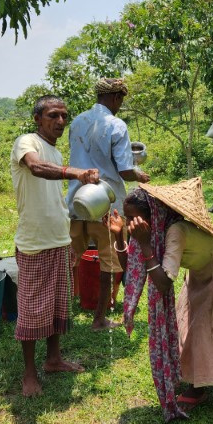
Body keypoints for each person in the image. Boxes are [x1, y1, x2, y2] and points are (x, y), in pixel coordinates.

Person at [109, 178, 213, 421]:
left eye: (133, 218)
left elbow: (163, 282)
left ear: (152, 215)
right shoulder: (151, 229)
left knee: (203, 326)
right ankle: (193, 374)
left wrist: (145, 245)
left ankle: (198, 388)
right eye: (127, 218)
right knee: (185, 320)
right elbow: (133, 274)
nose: (130, 224)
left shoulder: (173, 232)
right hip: (201, 270)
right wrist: (119, 238)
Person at [11, 94, 100, 397]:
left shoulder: (56, 153)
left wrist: (68, 239)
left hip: (57, 239)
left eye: (64, 116)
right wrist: (75, 172)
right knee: (32, 309)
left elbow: (55, 200)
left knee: (57, 304)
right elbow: (35, 168)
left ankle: (54, 359)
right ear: (37, 119)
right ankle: (29, 373)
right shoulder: (27, 143)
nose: (60, 121)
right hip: (34, 241)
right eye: (53, 115)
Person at [67, 78, 150, 331]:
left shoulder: (77, 121)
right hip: (105, 203)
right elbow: (125, 170)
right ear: (116, 98)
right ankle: (99, 319)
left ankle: (65, 310)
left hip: (76, 199)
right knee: (108, 261)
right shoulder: (116, 124)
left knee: (71, 258)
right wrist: (141, 176)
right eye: (121, 100)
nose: (120, 105)